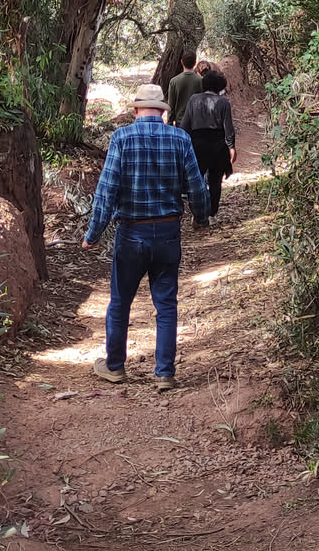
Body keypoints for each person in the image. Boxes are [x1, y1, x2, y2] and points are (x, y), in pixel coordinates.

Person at [82, 81, 210, 391]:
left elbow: (107, 191)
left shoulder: (122, 138)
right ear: (162, 112)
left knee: (120, 301)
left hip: (131, 233)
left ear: (137, 110)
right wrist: (201, 217)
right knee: (166, 304)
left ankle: (115, 366)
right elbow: (196, 186)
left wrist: (93, 233)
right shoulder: (180, 139)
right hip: (168, 232)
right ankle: (164, 372)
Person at [178, 67, 236, 219]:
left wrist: (183, 144)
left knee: (197, 179)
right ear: (220, 86)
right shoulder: (224, 102)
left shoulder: (193, 100)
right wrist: (231, 147)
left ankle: (198, 213)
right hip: (218, 145)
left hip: (198, 144)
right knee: (215, 181)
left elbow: (185, 126)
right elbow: (228, 128)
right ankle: (212, 213)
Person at [165, 49, 203, 126]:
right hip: (196, 122)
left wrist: (170, 123)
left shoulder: (174, 81)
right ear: (195, 63)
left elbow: (171, 105)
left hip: (180, 122)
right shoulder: (200, 81)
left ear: (181, 62)